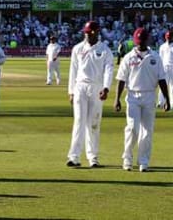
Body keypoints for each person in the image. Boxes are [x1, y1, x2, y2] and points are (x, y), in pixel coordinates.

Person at [114, 27, 170, 172]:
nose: (140, 44)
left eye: (142, 41)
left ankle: (143, 161)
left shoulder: (155, 57)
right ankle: (127, 159)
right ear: (135, 41)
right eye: (138, 42)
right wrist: (117, 99)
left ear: (147, 40)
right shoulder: (128, 57)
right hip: (132, 96)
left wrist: (167, 100)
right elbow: (121, 79)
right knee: (132, 128)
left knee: (147, 131)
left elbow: (162, 79)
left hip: (149, 95)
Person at [66, 20, 113, 168]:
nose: (87, 36)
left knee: (93, 124)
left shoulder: (105, 50)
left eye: (90, 33)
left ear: (97, 33)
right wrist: (71, 91)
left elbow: (108, 70)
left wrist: (106, 88)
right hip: (80, 87)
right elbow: (73, 71)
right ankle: (74, 157)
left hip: (97, 88)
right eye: (85, 33)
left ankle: (93, 158)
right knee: (79, 121)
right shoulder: (77, 49)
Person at [156, 30, 173, 109]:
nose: (168, 38)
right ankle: (161, 102)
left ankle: (172, 103)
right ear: (165, 37)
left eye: (170, 36)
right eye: (167, 36)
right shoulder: (162, 47)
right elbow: (160, 58)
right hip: (164, 68)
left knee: (172, 86)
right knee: (163, 85)